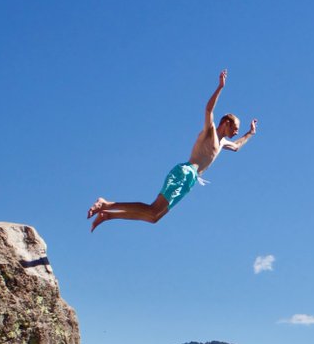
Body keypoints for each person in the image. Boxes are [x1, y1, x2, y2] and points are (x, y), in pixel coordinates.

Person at [88, 69, 258, 231]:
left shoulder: (222, 144)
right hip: (185, 173)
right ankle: (106, 204)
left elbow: (236, 146)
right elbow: (208, 110)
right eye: (235, 128)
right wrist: (220, 87)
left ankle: (107, 215)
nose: (236, 132)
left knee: (154, 217)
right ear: (226, 123)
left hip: (190, 181)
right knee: (152, 208)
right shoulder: (210, 131)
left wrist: (250, 133)